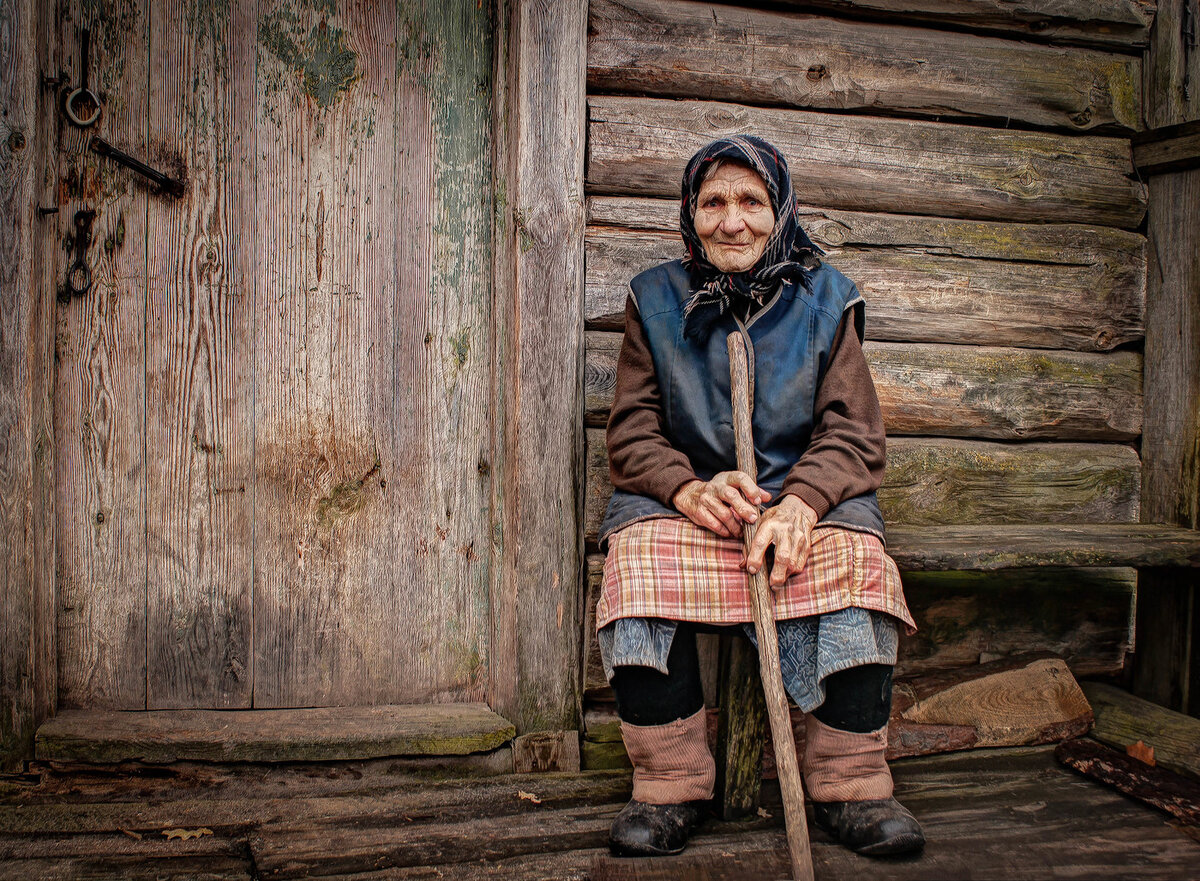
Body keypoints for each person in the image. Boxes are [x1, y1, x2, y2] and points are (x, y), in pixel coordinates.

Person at [597, 135, 925, 859]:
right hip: (699, 503)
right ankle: (670, 784)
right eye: (713, 202)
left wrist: (802, 503)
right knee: (637, 565)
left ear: (780, 212)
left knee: (861, 568)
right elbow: (631, 432)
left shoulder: (827, 298)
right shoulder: (653, 299)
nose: (732, 220)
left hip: (805, 501)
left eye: (752, 200)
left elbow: (854, 433)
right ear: (691, 213)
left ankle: (853, 783)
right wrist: (687, 486)